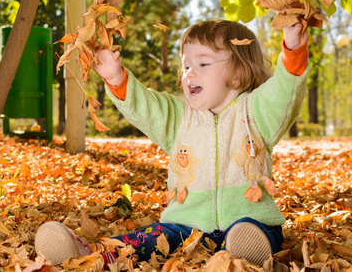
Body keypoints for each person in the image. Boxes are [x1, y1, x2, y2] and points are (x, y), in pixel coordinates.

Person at [35, 19, 309, 269]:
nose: (190, 73)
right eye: (186, 65)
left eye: (203, 64)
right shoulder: (179, 116)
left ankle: (242, 253)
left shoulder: (256, 111)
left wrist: (293, 48)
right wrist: (116, 77)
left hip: (249, 218)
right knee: (150, 238)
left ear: (237, 75)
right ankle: (90, 255)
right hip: (184, 225)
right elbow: (146, 107)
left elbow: (284, 94)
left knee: (251, 231)